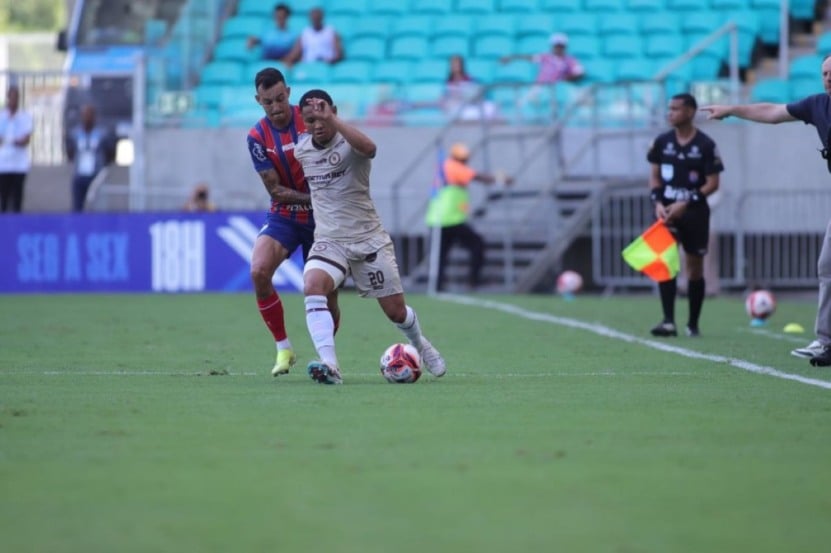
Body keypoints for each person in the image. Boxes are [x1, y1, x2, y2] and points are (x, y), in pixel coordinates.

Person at [293, 89, 446, 385]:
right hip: (330, 240)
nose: (318, 124)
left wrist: (333, 120)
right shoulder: (302, 150)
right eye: (311, 120)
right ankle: (330, 366)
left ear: (334, 112)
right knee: (312, 286)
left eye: (323, 116)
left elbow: (371, 148)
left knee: (396, 313)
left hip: (367, 239)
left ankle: (421, 344)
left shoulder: (350, 143)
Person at [702, 56, 831, 365]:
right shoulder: (818, 105)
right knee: (827, 267)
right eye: (825, 73)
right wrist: (732, 109)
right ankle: (827, 341)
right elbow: (773, 112)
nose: (828, 78)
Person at [247, 67, 340, 377]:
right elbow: (274, 189)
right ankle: (283, 348)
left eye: (279, 99)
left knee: (327, 294)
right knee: (259, 271)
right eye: (267, 102)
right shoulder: (257, 138)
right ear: (258, 101)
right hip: (285, 213)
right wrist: (312, 198)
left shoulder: (310, 119)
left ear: (288, 92)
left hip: (323, 218)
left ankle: (326, 358)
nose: (275, 107)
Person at [647, 93, 724, 338]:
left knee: (694, 269)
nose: (670, 113)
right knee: (666, 264)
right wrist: (658, 202)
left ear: (690, 112)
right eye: (669, 108)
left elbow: (713, 183)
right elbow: (654, 177)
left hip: (695, 213)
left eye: (676, 109)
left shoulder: (705, 145)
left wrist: (686, 202)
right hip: (667, 213)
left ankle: (693, 324)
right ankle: (668, 321)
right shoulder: (662, 142)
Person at [426, 142, 511, 292]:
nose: (464, 161)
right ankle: (472, 281)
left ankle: (439, 286)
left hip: (440, 218)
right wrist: (500, 179)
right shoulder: (453, 166)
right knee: (476, 245)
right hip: (449, 219)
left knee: (441, 255)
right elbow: (476, 177)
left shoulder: (446, 167)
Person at [65, 104, 115, 212]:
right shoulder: (75, 133)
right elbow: (70, 151)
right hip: (80, 175)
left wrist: (104, 164)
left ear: (94, 117)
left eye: (90, 115)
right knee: (77, 206)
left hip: (96, 175)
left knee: (96, 206)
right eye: (85, 115)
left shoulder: (102, 134)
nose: (87, 118)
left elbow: (110, 151)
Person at [499, 33, 585, 84]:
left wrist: (563, 80)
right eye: (556, 45)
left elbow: (580, 73)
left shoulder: (570, 60)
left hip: (556, 89)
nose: (558, 48)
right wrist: (512, 57)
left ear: (565, 47)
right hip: (540, 87)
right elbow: (529, 58)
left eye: (561, 46)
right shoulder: (546, 57)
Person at [0, 85, 33, 213]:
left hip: (19, 165)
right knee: (4, 199)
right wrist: (15, 140)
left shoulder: (25, 117)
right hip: (3, 164)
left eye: (16, 97)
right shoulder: (2, 117)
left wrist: (8, 140)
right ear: (8, 98)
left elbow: (25, 140)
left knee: (17, 199)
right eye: (11, 97)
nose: (13, 100)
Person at [442, 55, 497, 121]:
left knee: (490, 106)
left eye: (457, 64)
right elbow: (445, 98)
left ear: (461, 65)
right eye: (453, 64)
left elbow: (476, 92)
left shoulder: (470, 79)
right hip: (456, 106)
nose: (455, 66)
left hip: (470, 104)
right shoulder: (447, 82)